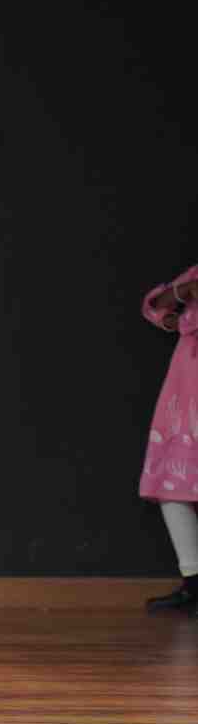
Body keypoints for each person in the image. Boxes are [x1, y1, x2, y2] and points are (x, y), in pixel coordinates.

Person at [139, 263, 198, 616]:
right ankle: (194, 582)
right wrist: (182, 292)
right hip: (186, 390)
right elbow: (154, 306)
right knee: (172, 484)